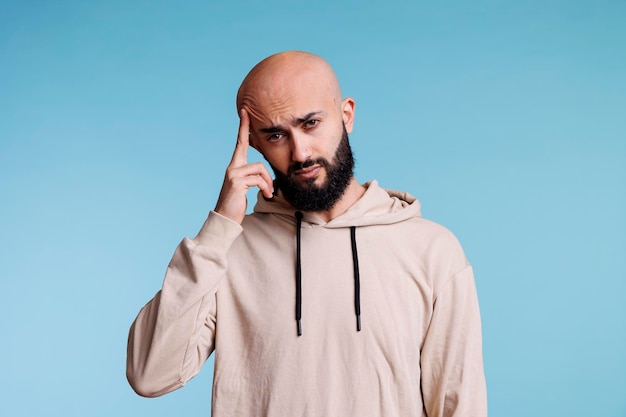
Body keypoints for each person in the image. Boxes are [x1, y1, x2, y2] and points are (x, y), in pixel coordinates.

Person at [126, 51, 487, 417]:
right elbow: (150, 374)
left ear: (346, 115)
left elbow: (461, 405)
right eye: (276, 135)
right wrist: (220, 224)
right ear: (254, 143)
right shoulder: (227, 250)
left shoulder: (432, 251)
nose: (300, 152)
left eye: (311, 123)